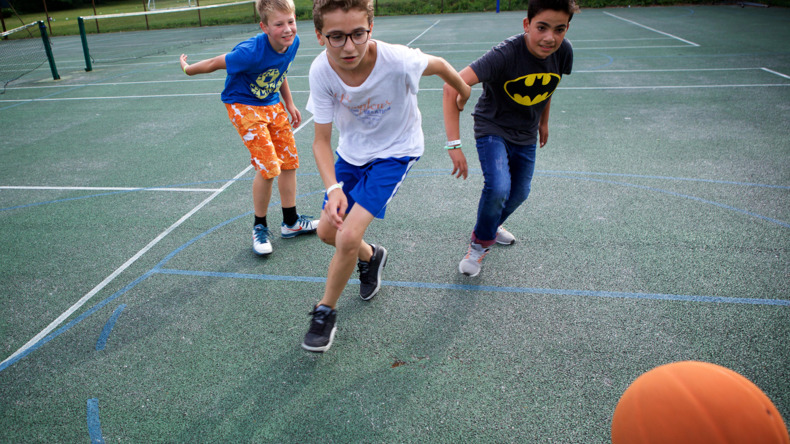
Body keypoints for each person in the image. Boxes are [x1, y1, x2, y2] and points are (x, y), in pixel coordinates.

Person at [301, 0, 472, 352]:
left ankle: (325, 312)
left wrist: (463, 90)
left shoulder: (397, 60)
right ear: (319, 36)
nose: (349, 46)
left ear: (370, 29)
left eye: (357, 34)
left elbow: (439, 65)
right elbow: (320, 141)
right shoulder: (321, 72)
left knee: (347, 235)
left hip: (396, 151)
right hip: (351, 154)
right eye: (336, 36)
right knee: (325, 232)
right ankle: (371, 256)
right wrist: (332, 188)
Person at [443, 0, 578, 277]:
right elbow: (451, 85)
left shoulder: (563, 51)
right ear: (527, 25)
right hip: (492, 127)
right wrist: (454, 144)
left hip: (526, 131)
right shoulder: (505, 55)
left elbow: (548, 84)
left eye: (559, 29)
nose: (549, 37)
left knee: (519, 193)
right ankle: (478, 246)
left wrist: (544, 121)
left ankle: (489, 227)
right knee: (498, 187)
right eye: (542, 27)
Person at [180, 0, 318, 257]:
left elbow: (280, 72)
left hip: (271, 101)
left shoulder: (292, 42)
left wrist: (289, 102)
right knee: (268, 167)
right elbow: (213, 63)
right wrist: (188, 69)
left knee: (289, 161)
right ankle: (260, 227)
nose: (287, 29)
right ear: (264, 26)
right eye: (279, 24)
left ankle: (291, 222)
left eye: (291, 21)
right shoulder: (249, 52)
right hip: (243, 105)